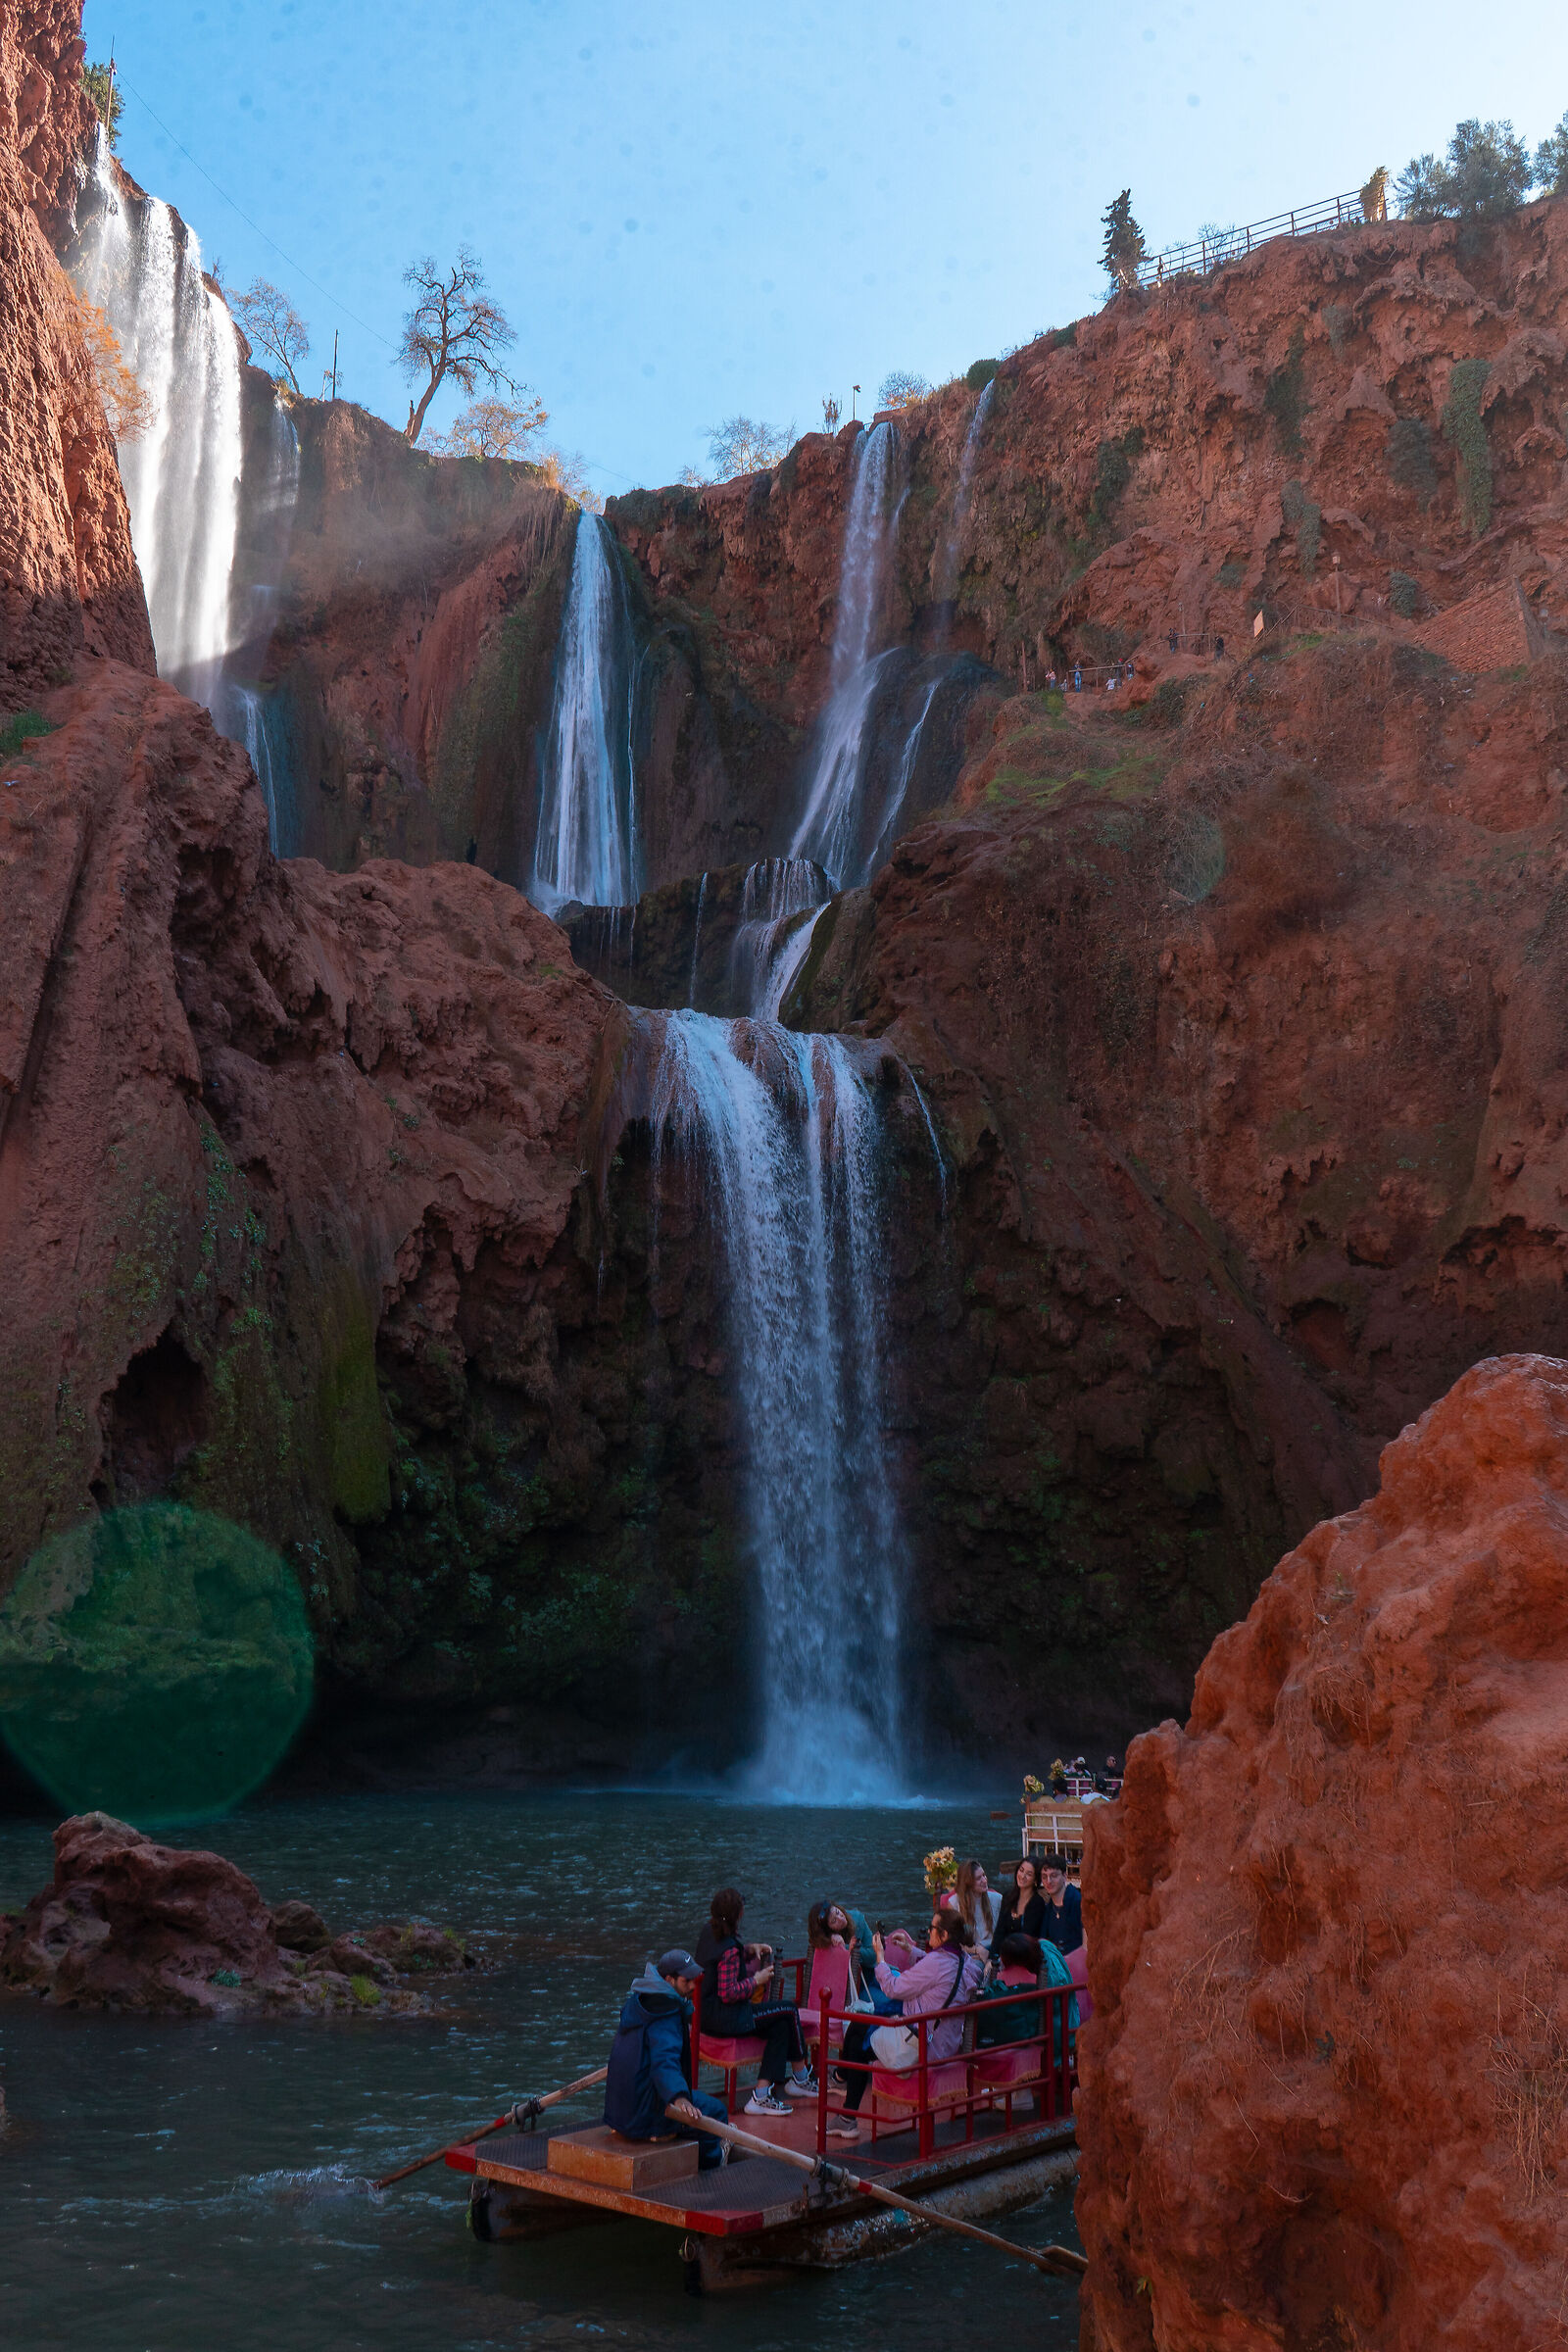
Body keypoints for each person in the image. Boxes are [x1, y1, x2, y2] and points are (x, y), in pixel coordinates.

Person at [828, 1910, 984, 2139]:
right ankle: (841, 2081)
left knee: (858, 2039)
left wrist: (880, 1958)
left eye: (932, 1928)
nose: (928, 1931)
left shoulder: (936, 1963)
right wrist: (911, 1950)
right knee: (859, 2029)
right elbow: (937, 1971)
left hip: (924, 2045)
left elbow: (893, 1988)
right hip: (947, 2041)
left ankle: (846, 2112)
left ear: (943, 1935)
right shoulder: (963, 1959)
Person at [603, 1948, 727, 2170]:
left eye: (694, 1979)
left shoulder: (636, 2002)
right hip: (648, 2116)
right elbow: (664, 2063)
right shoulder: (666, 2014)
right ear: (669, 1980)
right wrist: (679, 2098)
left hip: (619, 2114)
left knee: (699, 2104)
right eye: (686, 1980)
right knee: (717, 2110)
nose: (693, 1985)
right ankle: (711, 2164)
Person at [694, 1886, 811, 2116]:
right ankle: (801, 2078)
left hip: (705, 2016)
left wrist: (749, 1949)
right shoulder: (728, 1950)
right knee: (788, 2009)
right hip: (727, 2019)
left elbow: (721, 1960)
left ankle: (762, 2094)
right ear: (738, 1914)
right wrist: (757, 1980)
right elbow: (727, 1993)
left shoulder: (709, 1931)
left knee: (780, 2027)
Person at [990, 1855, 1046, 1954]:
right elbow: (999, 1931)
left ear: (1035, 1879)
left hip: (1025, 1955)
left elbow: (1028, 1937)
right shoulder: (1008, 1896)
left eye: (1029, 1874)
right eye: (1021, 1870)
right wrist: (992, 1958)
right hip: (1004, 1952)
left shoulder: (1037, 1903)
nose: (1023, 1876)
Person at [1039, 1851, 1083, 1955]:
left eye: (1054, 1876)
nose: (1048, 1881)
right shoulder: (1049, 1908)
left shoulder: (1077, 1903)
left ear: (1064, 1876)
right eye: (1044, 1877)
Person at [952, 1858, 1001, 1947]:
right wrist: (975, 1950)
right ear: (968, 1883)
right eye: (978, 1878)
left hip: (993, 1949)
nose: (984, 1880)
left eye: (984, 1875)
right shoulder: (954, 1903)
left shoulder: (997, 1899)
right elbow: (952, 1940)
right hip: (967, 1951)